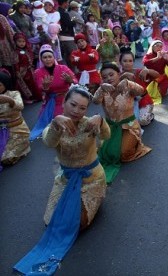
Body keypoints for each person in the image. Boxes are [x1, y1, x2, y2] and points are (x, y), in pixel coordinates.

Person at [13, 85, 108, 275]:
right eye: (73, 104)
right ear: (64, 102)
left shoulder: (90, 123)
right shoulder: (54, 125)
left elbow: (106, 135)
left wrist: (101, 120)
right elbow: (48, 143)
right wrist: (56, 123)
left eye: (83, 108)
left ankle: (96, 200)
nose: (77, 111)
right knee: (51, 222)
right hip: (65, 179)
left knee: (76, 225)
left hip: (91, 179)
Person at [93, 62, 151, 183]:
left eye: (111, 74)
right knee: (104, 153)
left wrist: (128, 83)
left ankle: (136, 143)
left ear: (118, 74)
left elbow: (142, 91)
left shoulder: (126, 85)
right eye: (104, 77)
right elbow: (95, 101)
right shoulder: (103, 89)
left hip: (128, 126)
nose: (109, 78)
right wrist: (101, 88)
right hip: (110, 127)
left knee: (123, 154)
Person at [30, 44, 77, 140]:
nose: (47, 59)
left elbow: (75, 81)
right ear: (41, 59)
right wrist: (45, 87)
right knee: (55, 124)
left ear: (54, 57)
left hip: (66, 99)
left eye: (50, 56)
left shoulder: (63, 68)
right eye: (45, 57)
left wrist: (70, 81)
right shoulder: (38, 72)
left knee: (70, 120)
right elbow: (39, 88)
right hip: (52, 101)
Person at [0, 71, 30, 171]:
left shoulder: (13, 94)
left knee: (6, 158)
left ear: (5, 84)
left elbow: (20, 106)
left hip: (16, 131)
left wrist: (10, 100)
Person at [120, 48, 156, 126]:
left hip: (143, 101)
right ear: (120, 62)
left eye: (130, 61)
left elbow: (157, 75)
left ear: (133, 62)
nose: (127, 63)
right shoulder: (117, 75)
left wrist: (147, 71)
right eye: (125, 61)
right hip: (126, 103)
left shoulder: (140, 72)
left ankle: (150, 115)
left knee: (142, 121)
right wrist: (123, 76)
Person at [13, 32, 40, 103]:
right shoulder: (16, 52)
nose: (21, 43)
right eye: (19, 41)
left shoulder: (26, 50)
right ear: (15, 42)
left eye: (23, 41)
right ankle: (27, 98)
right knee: (25, 84)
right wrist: (17, 71)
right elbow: (16, 62)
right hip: (22, 72)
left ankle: (34, 97)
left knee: (32, 83)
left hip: (29, 70)